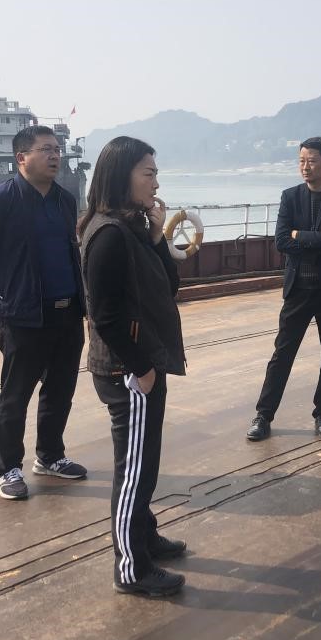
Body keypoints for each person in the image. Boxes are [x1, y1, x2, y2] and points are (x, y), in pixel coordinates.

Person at [79, 136, 188, 599]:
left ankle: (144, 535)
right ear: (122, 175)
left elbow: (169, 285)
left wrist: (158, 237)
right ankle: (132, 567)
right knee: (134, 471)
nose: (156, 183)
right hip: (128, 370)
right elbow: (104, 315)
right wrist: (141, 367)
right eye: (149, 173)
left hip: (142, 362)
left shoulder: (132, 228)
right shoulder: (108, 234)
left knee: (145, 462)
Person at [0, 125, 88, 500]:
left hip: (67, 311)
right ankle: (7, 468)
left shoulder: (64, 200)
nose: (55, 156)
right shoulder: (1, 200)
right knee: (16, 394)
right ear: (22, 158)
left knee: (60, 389)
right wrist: (10, 290)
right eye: (45, 149)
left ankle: (50, 456)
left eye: (57, 150)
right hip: (25, 316)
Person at [246, 137, 321, 442]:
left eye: (312, 161)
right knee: (282, 354)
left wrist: (301, 236)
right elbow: (281, 242)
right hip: (298, 289)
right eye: (301, 161)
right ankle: (263, 416)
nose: (305, 167)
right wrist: (320, 241)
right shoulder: (290, 197)